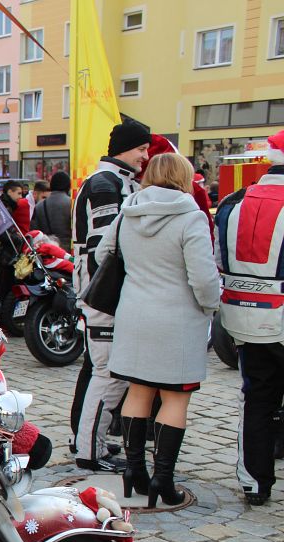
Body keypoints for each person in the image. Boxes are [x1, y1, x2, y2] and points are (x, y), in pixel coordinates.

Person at [99, 152, 220, 507]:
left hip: (134, 315)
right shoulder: (191, 217)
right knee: (175, 397)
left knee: (138, 391)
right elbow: (203, 279)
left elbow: (104, 254)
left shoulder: (128, 212)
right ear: (184, 178)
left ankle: (134, 471)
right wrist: (210, 306)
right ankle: (162, 479)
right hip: (177, 319)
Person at [69, 121, 151, 472]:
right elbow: (104, 250)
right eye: (141, 149)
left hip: (102, 294)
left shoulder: (114, 181)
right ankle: (89, 450)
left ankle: (90, 443)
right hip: (104, 296)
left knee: (101, 370)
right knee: (106, 373)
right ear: (124, 148)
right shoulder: (106, 183)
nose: (145, 156)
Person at [215, 128, 284, 505]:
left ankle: (254, 481)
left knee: (257, 396)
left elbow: (218, 260)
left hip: (242, 313)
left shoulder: (232, 201)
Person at [31, 171, 72, 245]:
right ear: (68, 186)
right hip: (68, 247)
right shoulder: (72, 204)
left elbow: (34, 231)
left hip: (46, 247)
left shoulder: (39, 206)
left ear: (51, 185)